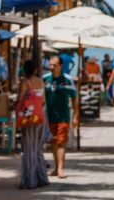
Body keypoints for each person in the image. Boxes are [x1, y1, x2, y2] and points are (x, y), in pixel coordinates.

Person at [43, 56, 79, 179]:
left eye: (54, 65)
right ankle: (56, 167)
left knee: (61, 142)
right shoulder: (45, 79)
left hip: (63, 116)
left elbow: (74, 98)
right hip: (49, 116)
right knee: (53, 142)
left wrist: (75, 116)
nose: (51, 67)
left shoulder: (68, 80)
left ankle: (60, 169)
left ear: (60, 66)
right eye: (50, 65)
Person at [17, 59, 49, 189]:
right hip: (40, 116)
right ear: (35, 69)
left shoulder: (26, 82)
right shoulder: (41, 81)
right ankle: (41, 177)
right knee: (37, 147)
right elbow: (43, 100)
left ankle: (29, 179)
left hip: (28, 117)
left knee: (28, 147)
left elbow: (20, 99)